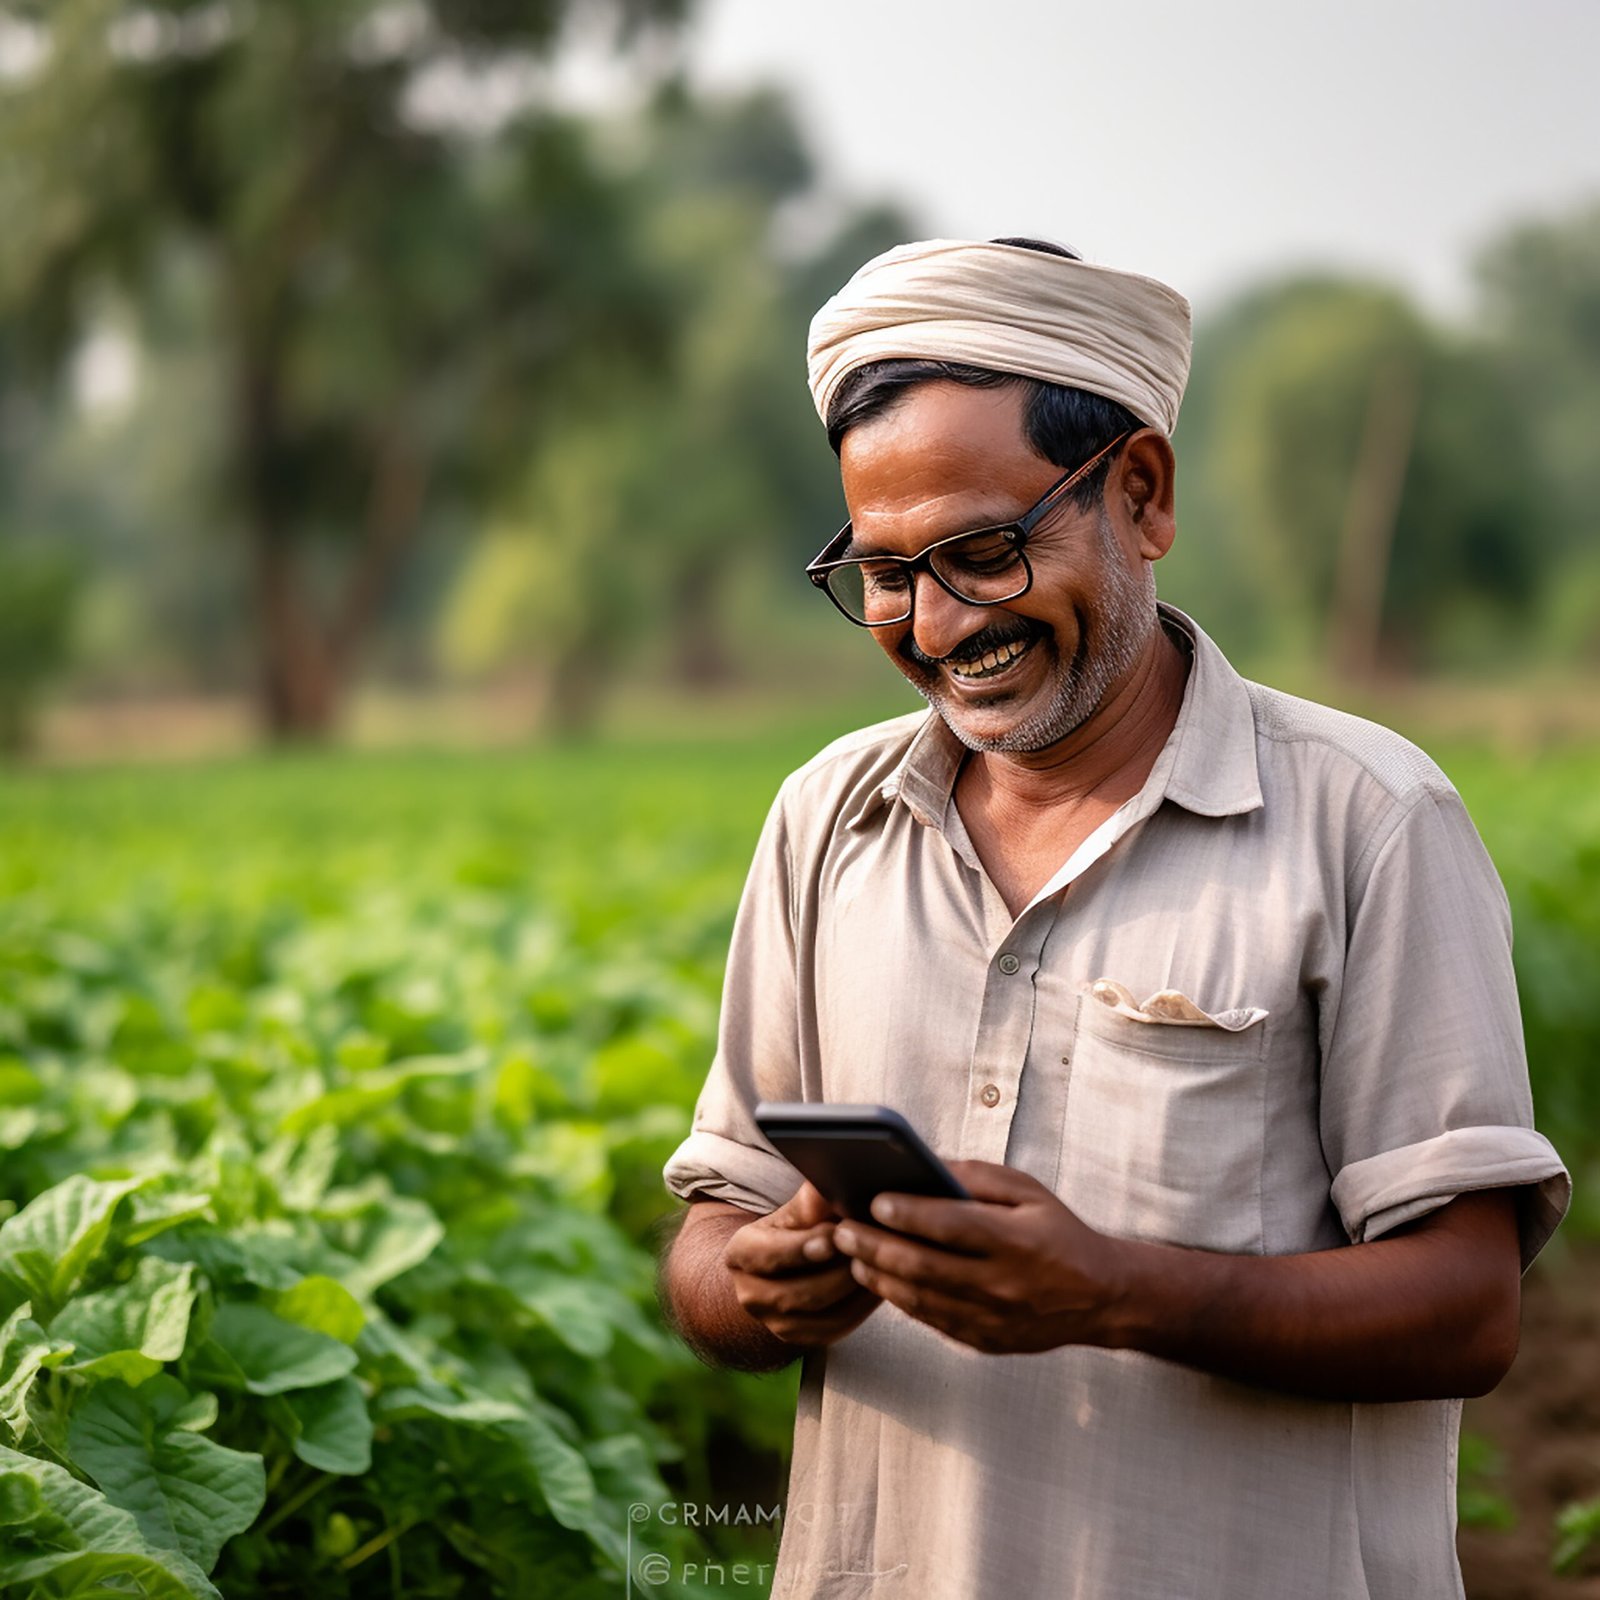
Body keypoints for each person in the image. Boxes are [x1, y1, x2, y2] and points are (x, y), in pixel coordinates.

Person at [656, 236, 1570, 1600]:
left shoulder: (1367, 820)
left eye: (983, 552)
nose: (935, 623)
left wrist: (1121, 1291)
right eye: (886, 572)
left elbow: (1467, 1306)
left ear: (1139, 494)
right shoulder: (827, 819)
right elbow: (710, 1239)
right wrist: (765, 1281)